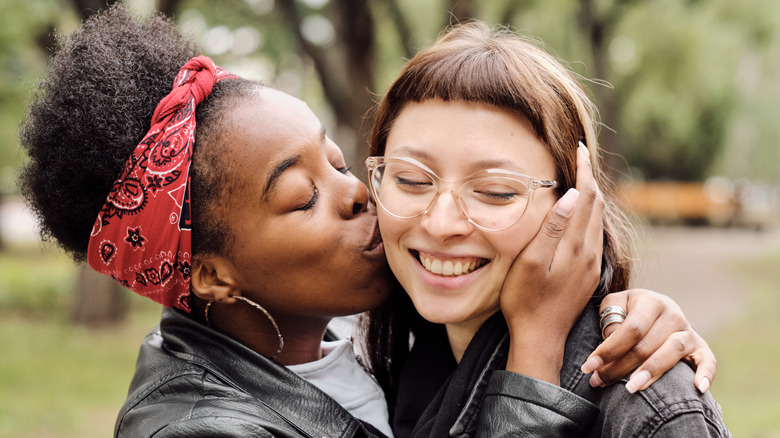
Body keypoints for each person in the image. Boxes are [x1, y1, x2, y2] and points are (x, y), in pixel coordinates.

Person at [18, 6, 718, 437]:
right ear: (213, 276)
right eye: (304, 197)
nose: (359, 197)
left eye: (340, 163)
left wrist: (625, 308)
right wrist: (535, 348)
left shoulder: (373, 341)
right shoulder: (198, 428)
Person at [363, 21, 730, 437]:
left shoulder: (650, 409)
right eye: (411, 180)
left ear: (576, 207)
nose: (441, 223)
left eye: (495, 191)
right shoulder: (388, 373)